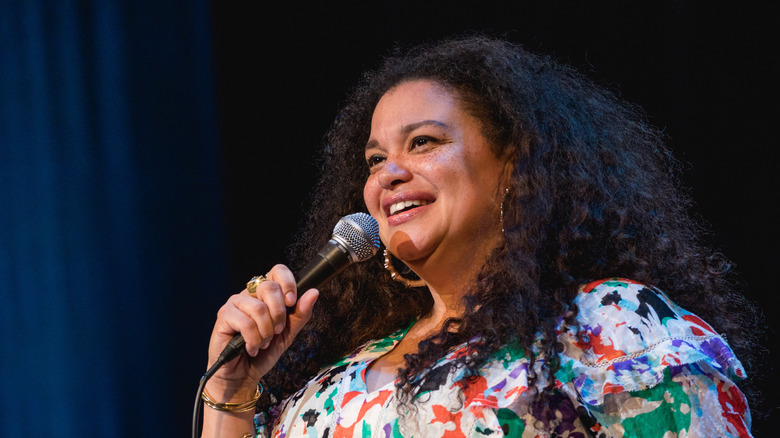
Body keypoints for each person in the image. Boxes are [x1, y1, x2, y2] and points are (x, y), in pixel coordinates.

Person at [200, 35, 756, 437]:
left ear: (515, 167)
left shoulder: (609, 330)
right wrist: (229, 391)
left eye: (422, 143)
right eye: (374, 159)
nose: (388, 173)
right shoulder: (329, 388)